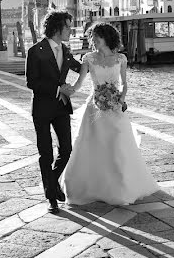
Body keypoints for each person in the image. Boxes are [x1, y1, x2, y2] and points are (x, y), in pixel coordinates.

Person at [60, 22, 160, 206]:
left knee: (117, 145)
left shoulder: (120, 58)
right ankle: (92, 187)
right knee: (93, 145)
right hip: (94, 108)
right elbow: (80, 83)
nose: (94, 41)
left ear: (106, 37)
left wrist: (120, 101)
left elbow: (124, 84)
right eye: (92, 38)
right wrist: (68, 90)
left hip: (115, 108)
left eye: (97, 37)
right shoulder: (88, 58)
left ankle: (120, 189)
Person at [25, 11, 81, 214]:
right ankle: (51, 198)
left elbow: (79, 67)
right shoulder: (35, 51)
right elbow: (32, 82)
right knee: (46, 153)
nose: (70, 30)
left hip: (61, 108)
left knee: (66, 150)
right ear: (57, 28)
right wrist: (59, 89)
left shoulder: (65, 50)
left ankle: (52, 182)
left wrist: (102, 60)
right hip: (41, 108)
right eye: (67, 27)